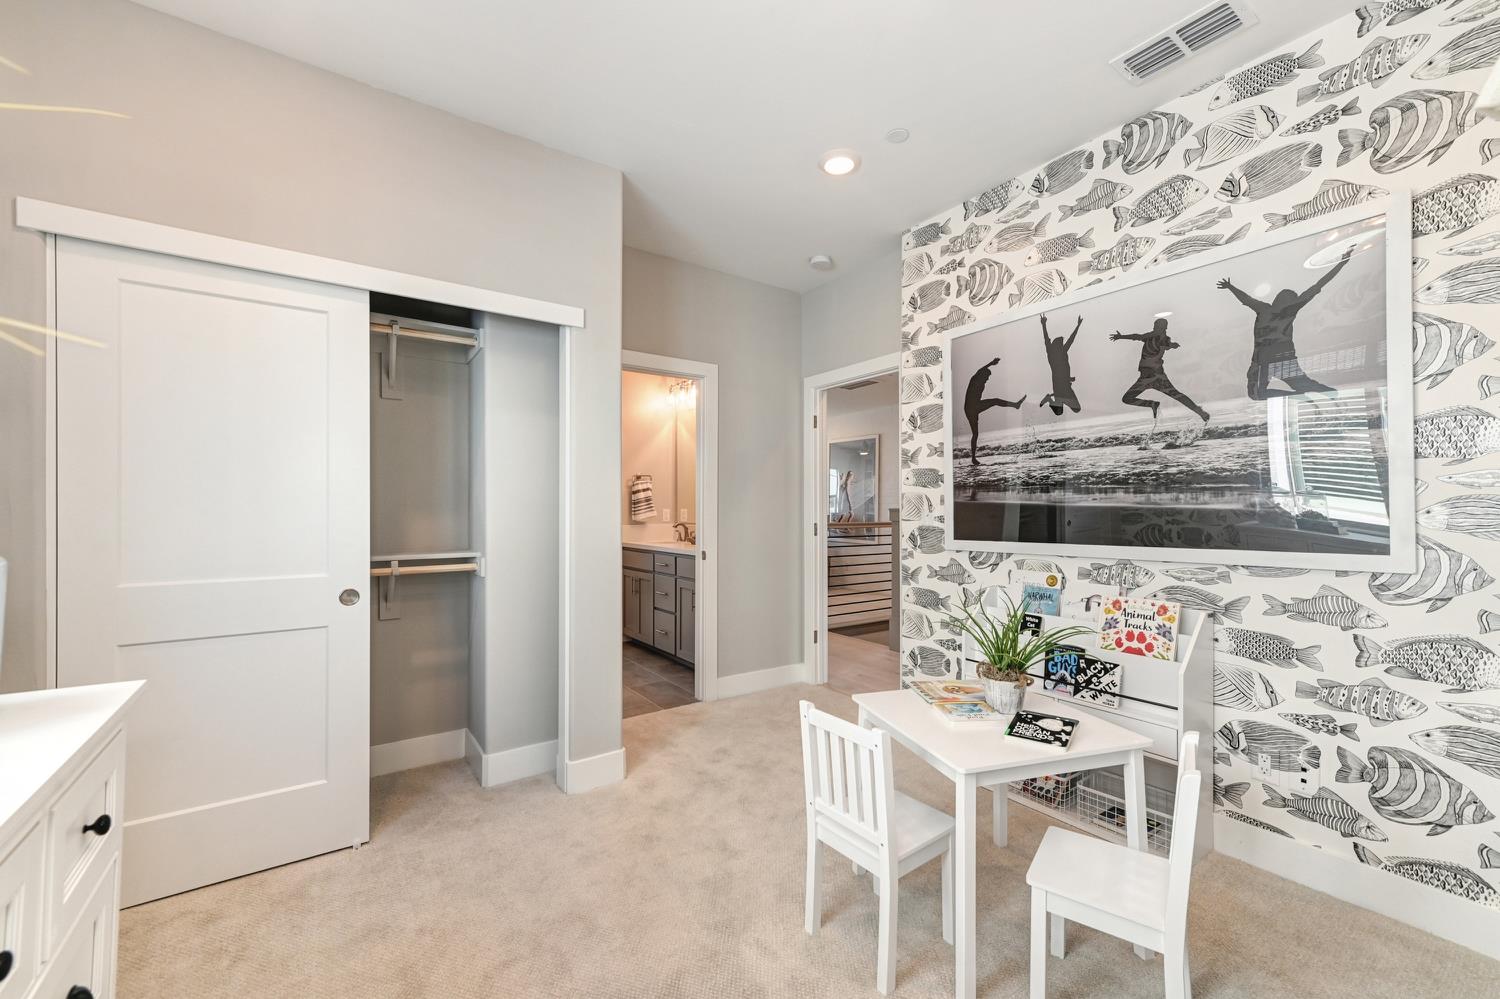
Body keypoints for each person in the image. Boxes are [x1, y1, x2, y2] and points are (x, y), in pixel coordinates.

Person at [1218, 246, 1353, 400]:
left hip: (1272, 359)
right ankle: (1306, 394)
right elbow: (1246, 299)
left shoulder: (1275, 310)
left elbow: (1319, 285)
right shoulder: (1268, 310)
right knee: (1266, 392)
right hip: (1269, 359)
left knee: (1262, 393)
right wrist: (1231, 287)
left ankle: (1308, 394)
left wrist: (1341, 263)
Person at [1109, 318, 1210, 422]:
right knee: (1127, 399)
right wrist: (1121, 337)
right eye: (1154, 326)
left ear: (1164, 328)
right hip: (1144, 379)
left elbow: (1166, 345)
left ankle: (1200, 412)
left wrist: (1172, 345)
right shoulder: (1149, 336)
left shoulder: (1164, 339)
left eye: (1157, 327)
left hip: (1157, 377)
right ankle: (1152, 404)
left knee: (1177, 395)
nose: (1154, 328)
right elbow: (1137, 336)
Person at [963, 358, 1026, 466]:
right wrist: (991, 363)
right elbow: (981, 370)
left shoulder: (982, 383)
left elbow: (982, 372)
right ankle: (1016, 405)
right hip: (971, 407)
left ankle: (973, 458)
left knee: (975, 433)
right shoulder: (975, 379)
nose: (987, 379)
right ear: (982, 375)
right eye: (987, 377)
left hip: (972, 407)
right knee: (995, 401)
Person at [1038, 313, 1083, 416]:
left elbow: (1046, 339)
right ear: (1058, 346)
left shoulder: (1052, 354)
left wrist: (1043, 324)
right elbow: (1071, 339)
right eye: (1061, 344)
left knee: (1062, 411)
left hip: (1059, 389)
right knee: (1075, 409)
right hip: (1064, 388)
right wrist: (1078, 325)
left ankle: (1049, 399)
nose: (1063, 345)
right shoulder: (1061, 352)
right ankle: (1049, 399)